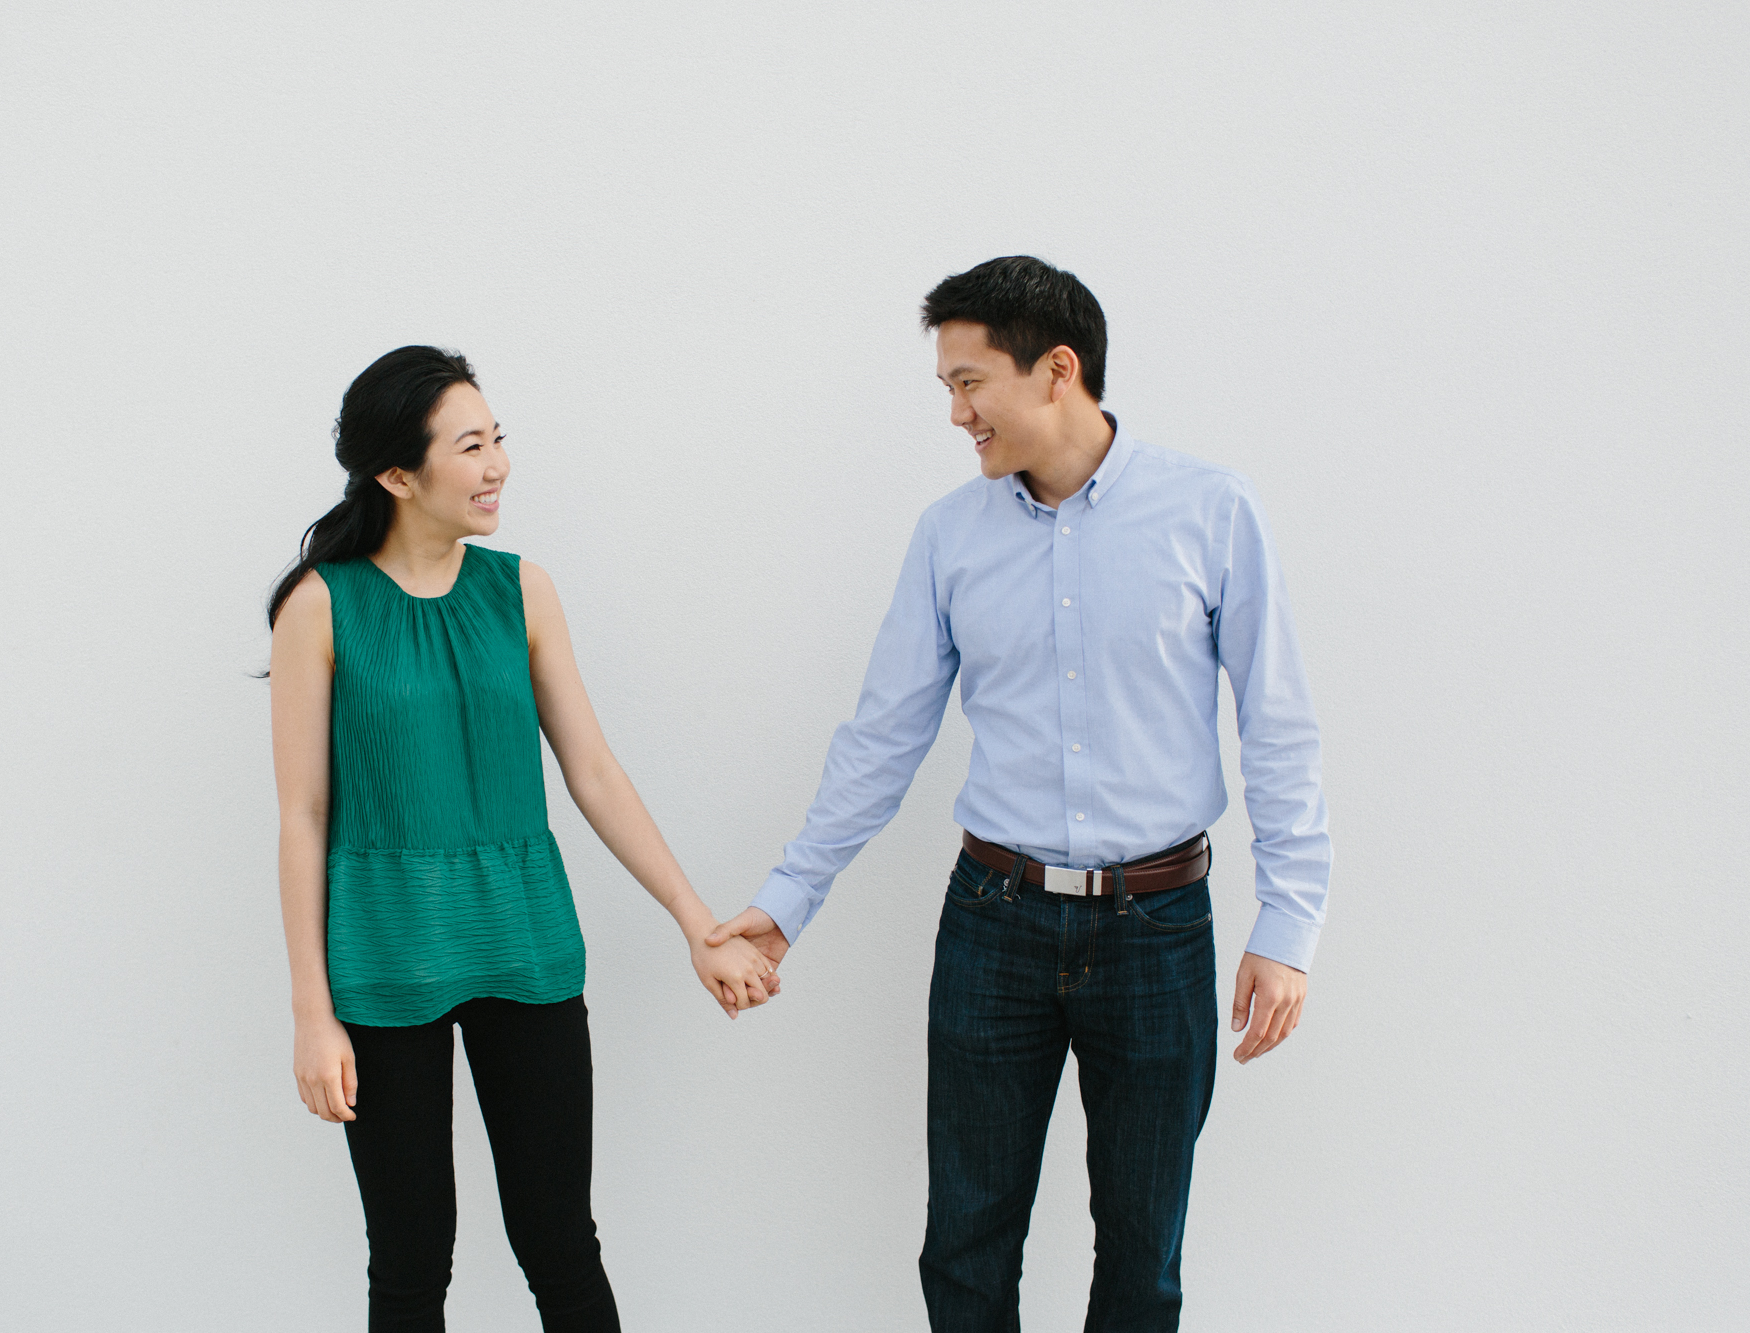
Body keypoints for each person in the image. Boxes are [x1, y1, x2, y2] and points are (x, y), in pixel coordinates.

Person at [706, 256, 1331, 1331]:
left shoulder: (1211, 510)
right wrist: (788, 895)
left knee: (1143, 1248)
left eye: (966, 382)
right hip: (992, 924)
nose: (954, 415)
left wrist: (1288, 921)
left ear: (1055, 369)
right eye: (945, 389)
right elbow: (884, 734)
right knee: (966, 1238)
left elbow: (1275, 723)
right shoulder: (949, 536)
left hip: (1158, 924)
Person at [266, 346, 777, 1332]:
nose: (497, 463)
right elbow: (302, 816)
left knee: (558, 1241)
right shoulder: (320, 606)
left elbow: (592, 770)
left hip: (526, 946)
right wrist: (310, 1013)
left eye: (498, 438)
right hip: (383, 960)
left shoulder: (522, 590)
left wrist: (693, 919)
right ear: (396, 473)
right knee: (410, 1258)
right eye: (470, 445)